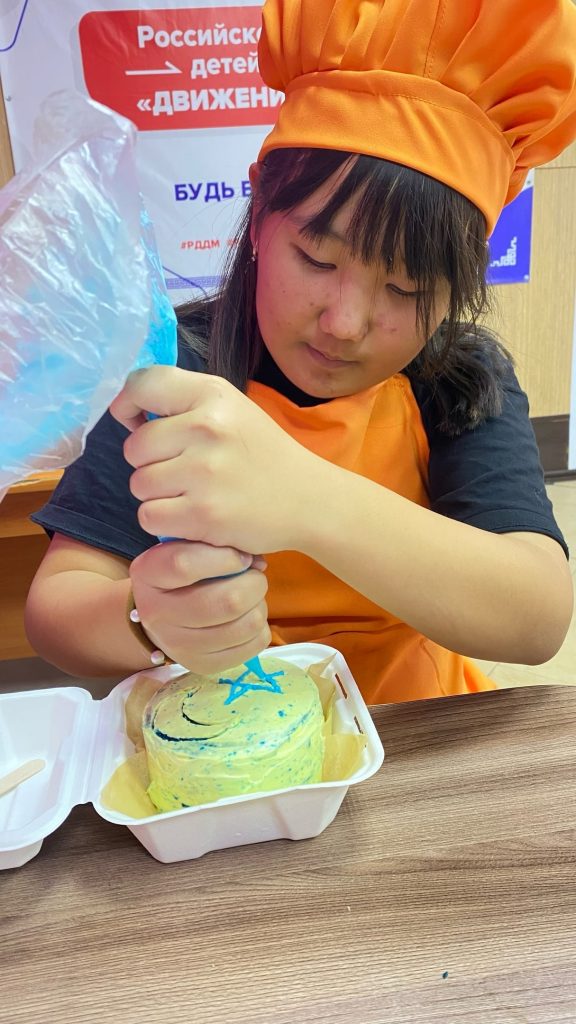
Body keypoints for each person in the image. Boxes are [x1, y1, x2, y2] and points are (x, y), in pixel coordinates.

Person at [25, 0, 576, 704]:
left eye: (406, 287)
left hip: (417, 726)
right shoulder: (173, 372)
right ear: (259, 212)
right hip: (225, 731)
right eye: (317, 257)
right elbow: (56, 609)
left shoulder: (458, 377)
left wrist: (304, 498)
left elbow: (537, 617)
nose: (344, 324)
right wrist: (146, 616)